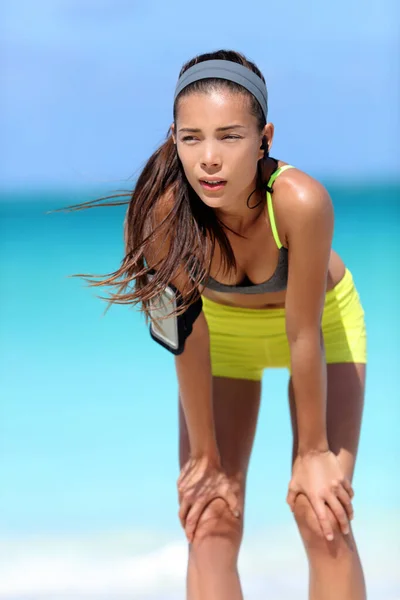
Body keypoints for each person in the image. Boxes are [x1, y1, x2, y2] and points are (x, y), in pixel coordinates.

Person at [69, 49, 367, 600]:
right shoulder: (162, 213)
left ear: (264, 137)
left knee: (321, 510)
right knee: (211, 516)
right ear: (173, 138)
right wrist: (204, 457)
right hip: (221, 338)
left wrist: (314, 455)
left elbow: (304, 331)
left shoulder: (301, 202)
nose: (209, 158)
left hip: (322, 329)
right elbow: (184, 334)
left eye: (230, 137)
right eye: (192, 137)